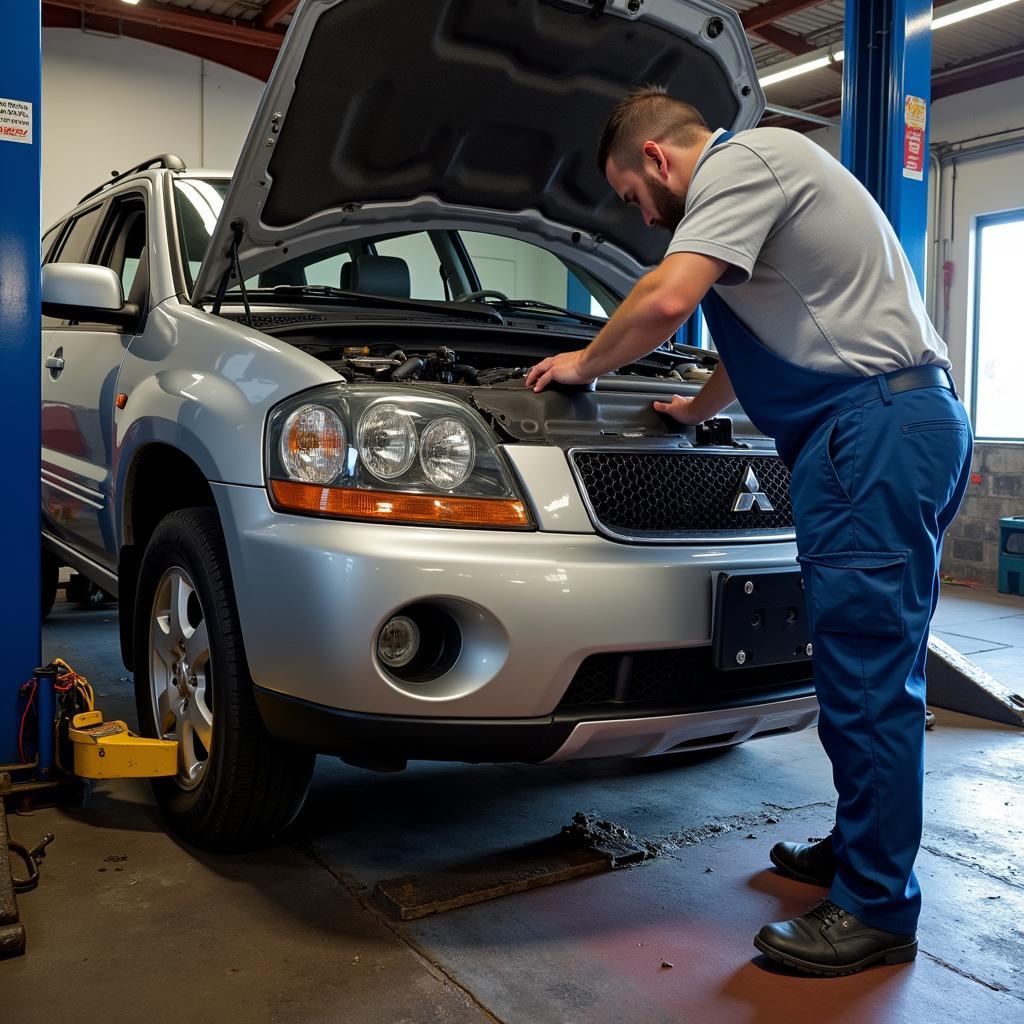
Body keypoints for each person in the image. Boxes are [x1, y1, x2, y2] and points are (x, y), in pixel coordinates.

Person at [525, 87, 973, 977]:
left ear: (657, 159)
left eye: (630, 198)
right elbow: (757, 336)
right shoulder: (772, 178)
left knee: (867, 675)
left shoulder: (743, 161)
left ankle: (877, 910)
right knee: (866, 664)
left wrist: (580, 361)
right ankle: (859, 851)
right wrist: (693, 410)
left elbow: (663, 301)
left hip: (870, 433)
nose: (641, 218)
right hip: (887, 428)